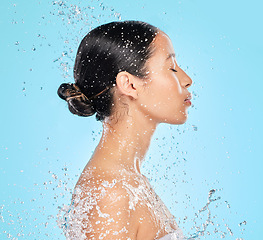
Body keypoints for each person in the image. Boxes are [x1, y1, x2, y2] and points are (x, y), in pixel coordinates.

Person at [57, 20, 192, 240]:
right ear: (129, 85)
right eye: (172, 68)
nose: (187, 80)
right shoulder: (111, 194)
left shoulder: (129, 181)